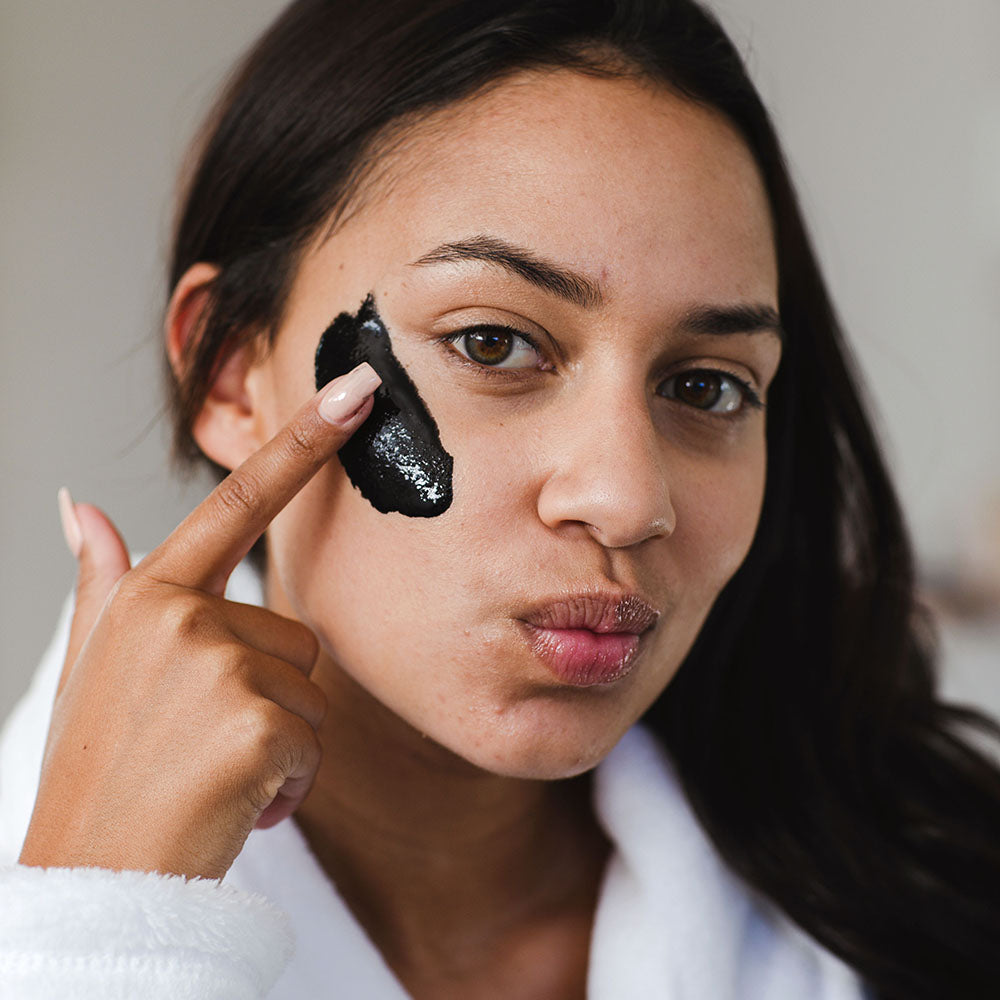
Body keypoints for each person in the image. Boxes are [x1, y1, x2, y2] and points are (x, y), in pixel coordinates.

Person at [1, 1, 998, 997]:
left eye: (704, 385)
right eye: (492, 343)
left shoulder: (937, 898)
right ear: (229, 371)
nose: (623, 498)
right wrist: (106, 931)